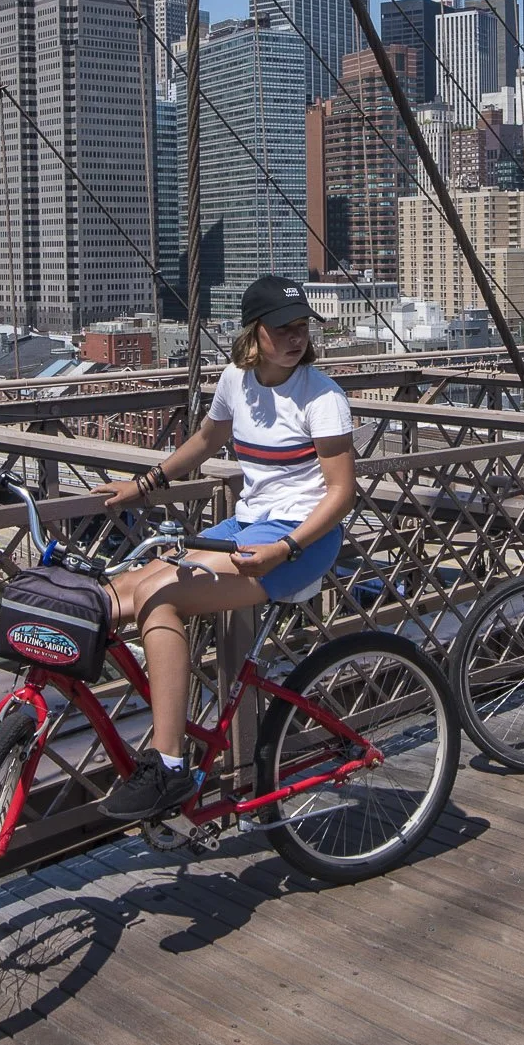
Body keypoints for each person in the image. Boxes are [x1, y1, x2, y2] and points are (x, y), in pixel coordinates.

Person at [89, 276, 356, 822]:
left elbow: (342, 492)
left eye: (302, 327)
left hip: (301, 538)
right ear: (254, 334)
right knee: (116, 590)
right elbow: (206, 441)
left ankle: (166, 764)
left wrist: (285, 547)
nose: (295, 338)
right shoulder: (236, 380)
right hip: (249, 524)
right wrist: (141, 486)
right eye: (283, 328)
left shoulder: (323, 395)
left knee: (161, 595)